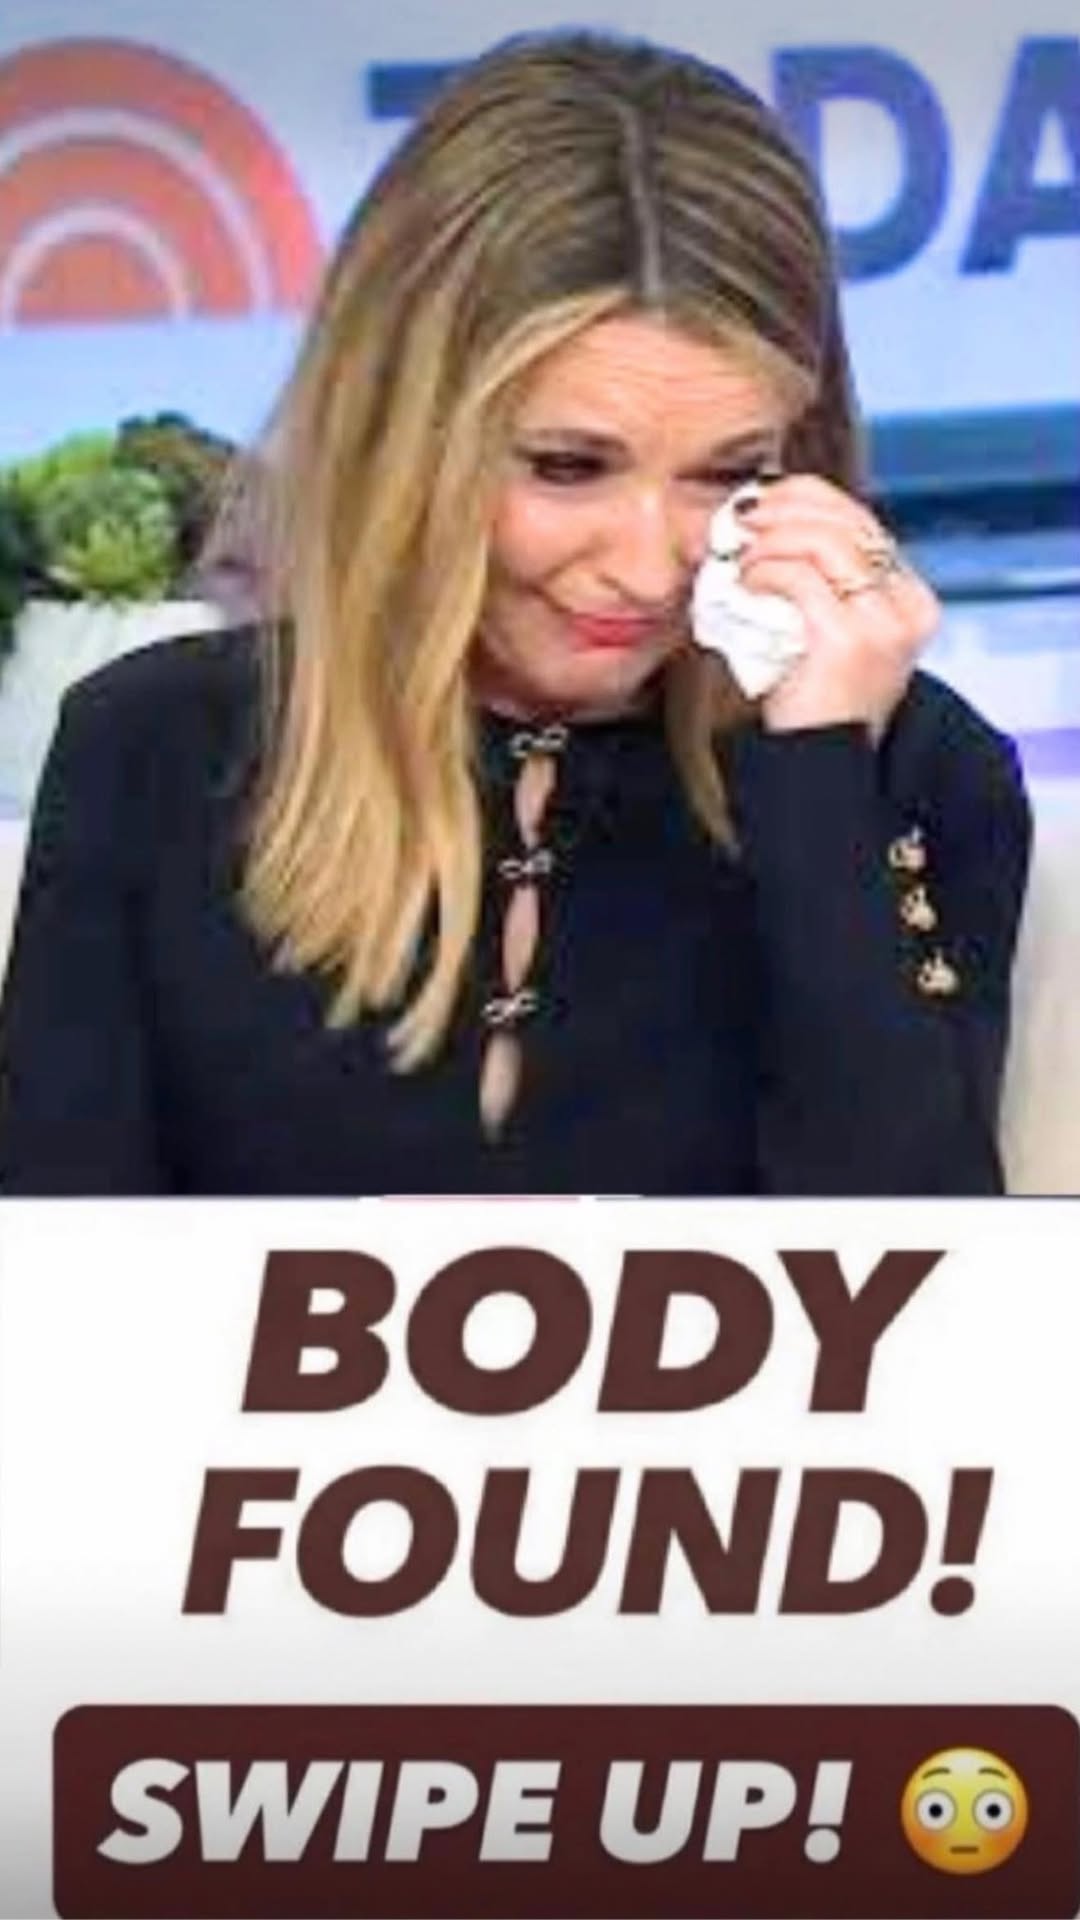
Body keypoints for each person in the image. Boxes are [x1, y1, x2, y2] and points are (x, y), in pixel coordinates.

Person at [0, 30, 1031, 1196]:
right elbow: (57, 1279)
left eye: (728, 473)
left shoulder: (913, 769)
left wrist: (823, 786)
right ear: (403, 433)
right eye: (567, 466)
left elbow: (923, 1278)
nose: (648, 569)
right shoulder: (154, 746)